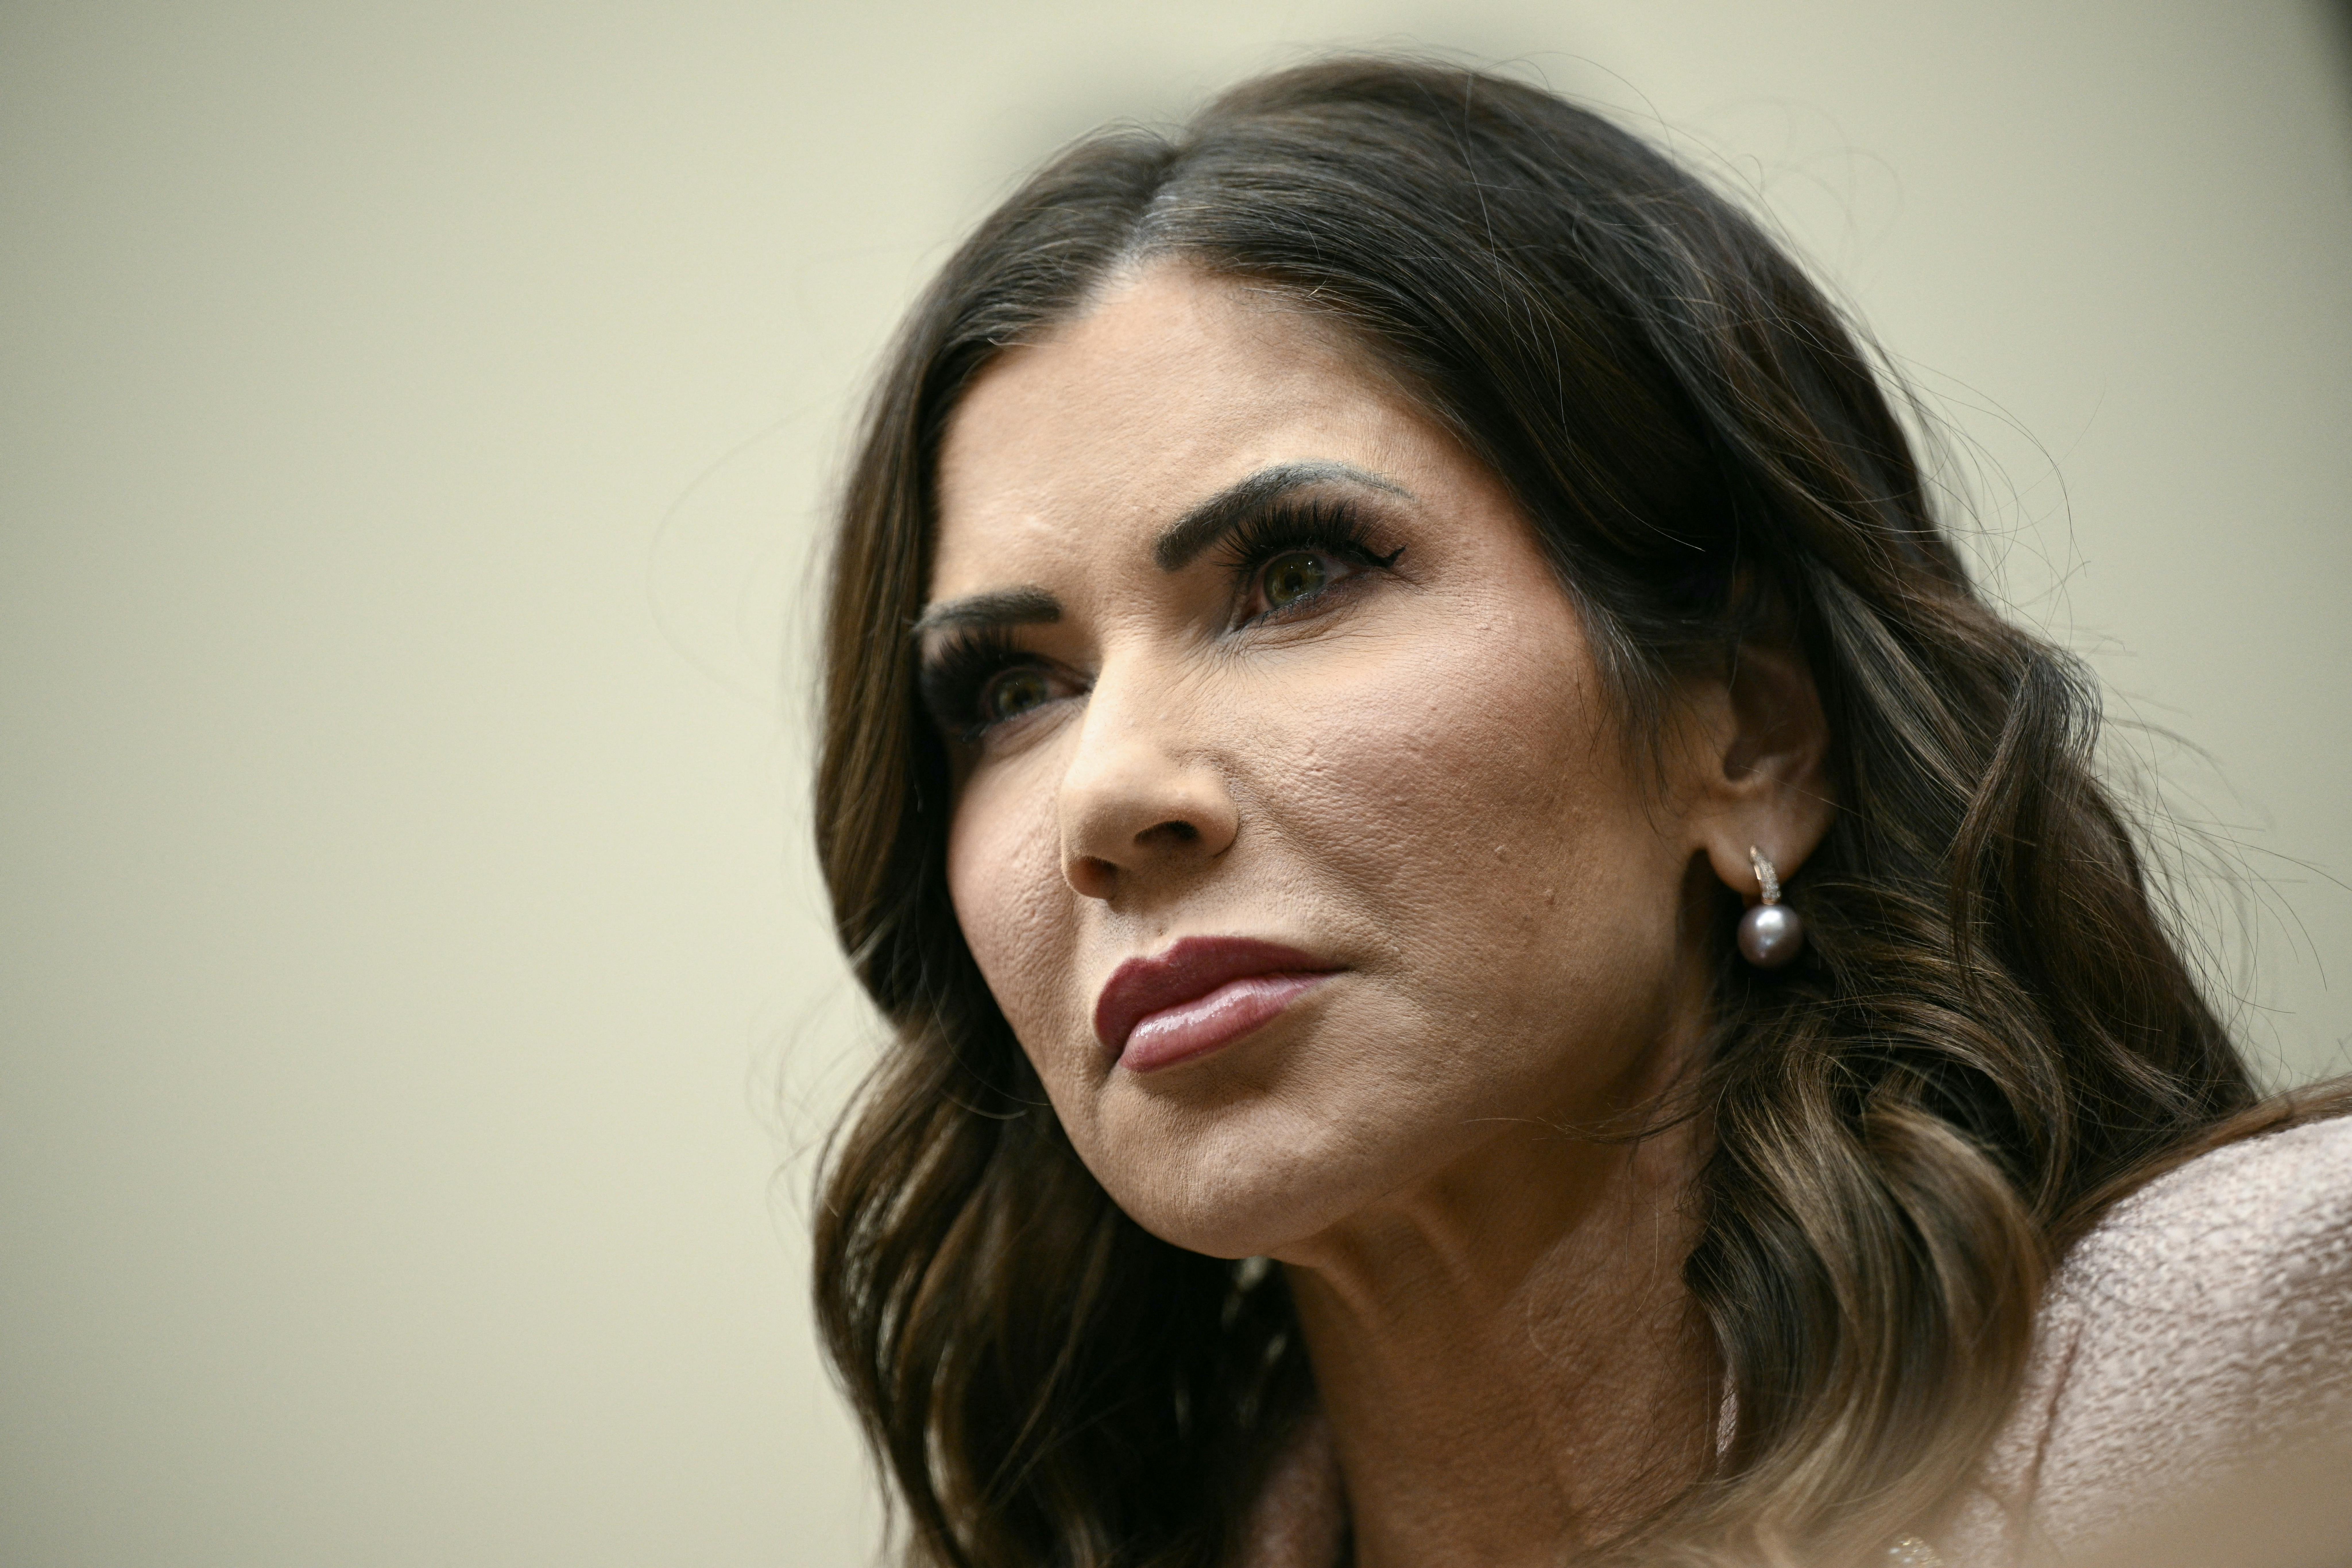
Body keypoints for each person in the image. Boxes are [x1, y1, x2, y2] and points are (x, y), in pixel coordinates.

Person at [806, 56, 2352, 1568]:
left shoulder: (2280, 1354)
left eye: (1296, 578)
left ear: (1750, 736)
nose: (1108, 793)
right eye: (1010, 690)